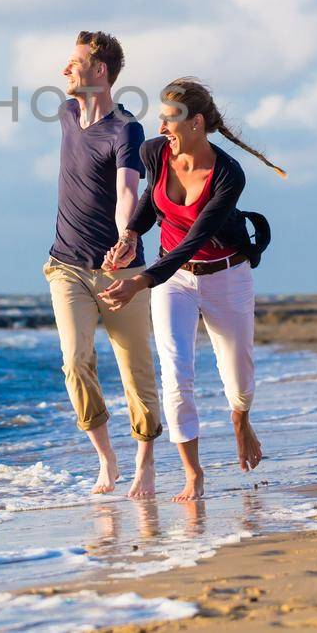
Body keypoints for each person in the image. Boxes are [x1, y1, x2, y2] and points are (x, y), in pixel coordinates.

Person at [100, 77, 285, 503]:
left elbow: (195, 237)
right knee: (176, 373)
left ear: (196, 123)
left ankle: (240, 420)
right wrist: (129, 238)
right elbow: (151, 201)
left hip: (226, 274)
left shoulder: (228, 175)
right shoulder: (155, 153)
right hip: (176, 280)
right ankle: (192, 473)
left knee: (238, 376)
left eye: (169, 120)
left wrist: (140, 280)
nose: (161, 127)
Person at [42, 31, 162, 499]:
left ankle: (145, 461)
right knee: (75, 362)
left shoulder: (126, 130)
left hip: (120, 271)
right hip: (66, 264)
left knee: (136, 371)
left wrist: (126, 236)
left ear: (100, 71)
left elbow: (127, 190)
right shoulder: (68, 113)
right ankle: (105, 458)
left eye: (74, 62)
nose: (64, 70)